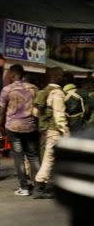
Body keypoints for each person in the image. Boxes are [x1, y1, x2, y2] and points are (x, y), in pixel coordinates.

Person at [0, 64, 40, 196]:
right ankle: (39, 185)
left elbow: (1, 110)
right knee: (33, 157)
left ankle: (24, 187)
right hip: (31, 127)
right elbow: (39, 109)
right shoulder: (34, 88)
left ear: (12, 74)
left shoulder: (7, 90)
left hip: (13, 128)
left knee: (18, 157)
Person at [33, 67, 68, 199]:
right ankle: (40, 186)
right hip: (55, 130)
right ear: (57, 76)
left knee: (50, 158)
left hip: (46, 129)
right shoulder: (57, 92)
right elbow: (59, 114)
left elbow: (35, 112)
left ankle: (45, 185)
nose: (63, 78)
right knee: (49, 159)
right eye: (62, 75)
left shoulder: (44, 91)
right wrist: (65, 131)